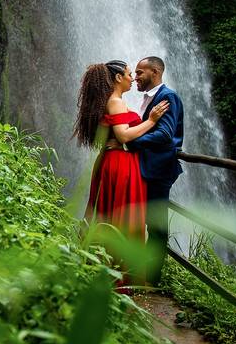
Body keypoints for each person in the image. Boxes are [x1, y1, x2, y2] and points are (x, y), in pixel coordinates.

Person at [73, 60, 169, 289]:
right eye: (128, 73)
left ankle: (110, 269)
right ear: (118, 78)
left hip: (118, 163)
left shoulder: (116, 101)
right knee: (123, 218)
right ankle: (120, 276)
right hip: (121, 165)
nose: (132, 77)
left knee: (112, 213)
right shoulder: (115, 102)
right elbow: (124, 136)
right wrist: (152, 121)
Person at [114, 56, 184, 286]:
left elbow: (165, 134)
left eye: (140, 72)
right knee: (143, 222)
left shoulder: (167, 97)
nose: (135, 77)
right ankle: (140, 273)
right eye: (133, 72)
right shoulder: (153, 98)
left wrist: (133, 141)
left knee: (156, 227)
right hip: (148, 169)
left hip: (158, 170)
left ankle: (153, 281)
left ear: (155, 72)